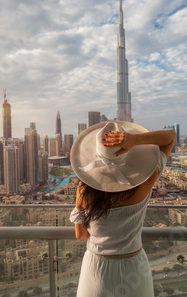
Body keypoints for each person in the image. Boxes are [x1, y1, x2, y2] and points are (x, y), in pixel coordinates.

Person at [69, 121, 176, 296]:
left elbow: (81, 235)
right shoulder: (146, 181)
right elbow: (170, 136)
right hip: (133, 267)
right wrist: (135, 140)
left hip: (96, 270)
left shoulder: (84, 190)